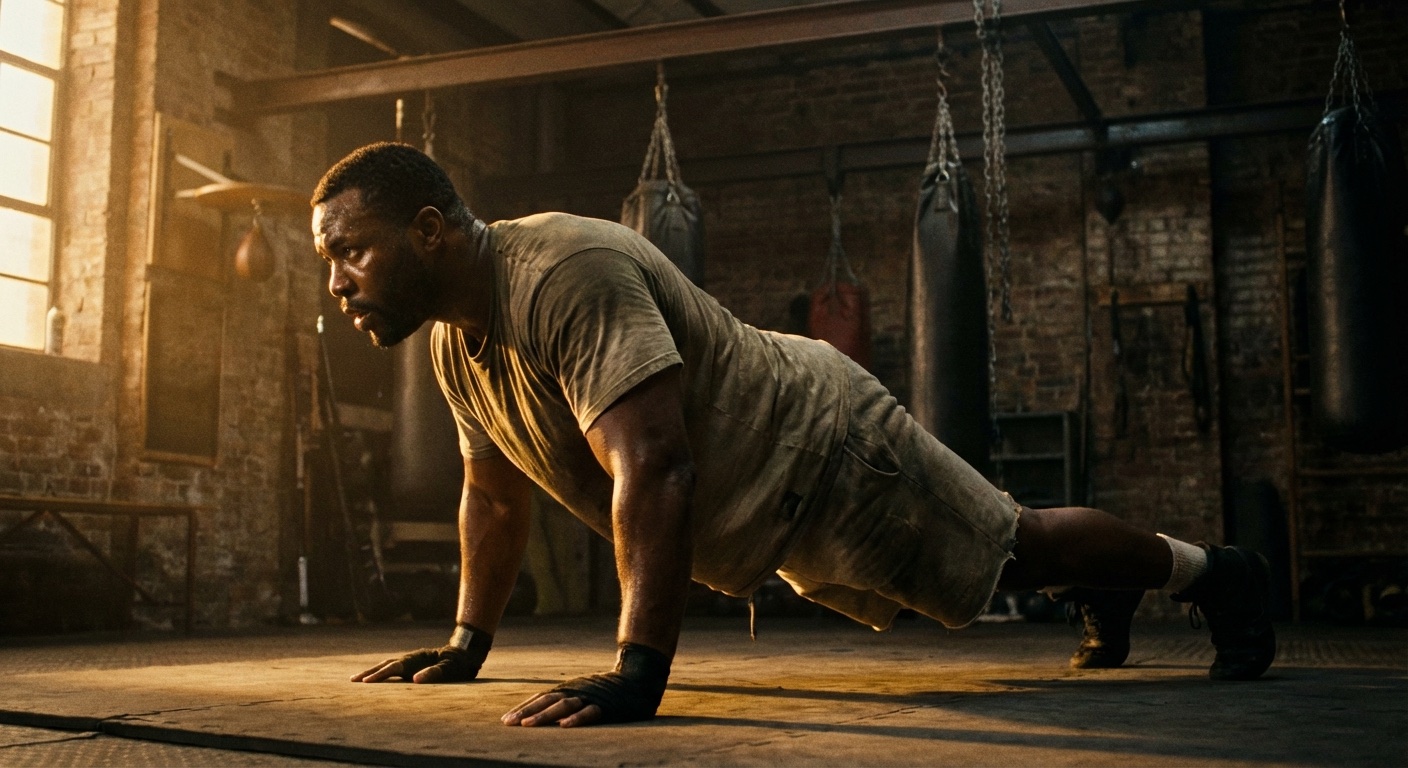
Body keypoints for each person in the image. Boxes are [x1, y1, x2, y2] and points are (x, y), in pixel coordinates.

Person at [311, 143, 1275, 729]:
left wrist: (638, 674)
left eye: (350, 251)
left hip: (823, 445)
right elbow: (492, 490)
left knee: (1014, 547)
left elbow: (655, 462)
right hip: (764, 509)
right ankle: (1104, 592)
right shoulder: (453, 349)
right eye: (329, 261)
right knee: (997, 568)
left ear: (431, 230)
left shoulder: (562, 272)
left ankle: (1215, 573)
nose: (338, 281)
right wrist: (468, 640)